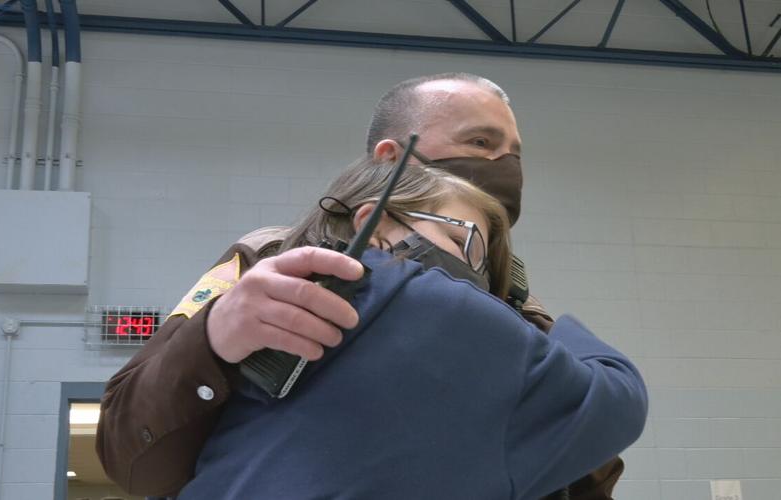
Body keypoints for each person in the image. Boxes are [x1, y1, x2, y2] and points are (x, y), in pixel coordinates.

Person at [96, 73, 625, 498]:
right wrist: (213, 338)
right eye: (481, 142)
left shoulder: (522, 309)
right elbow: (128, 454)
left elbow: (586, 473)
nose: (505, 165)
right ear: (390, 159)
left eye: (514, 151)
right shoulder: (272, 260)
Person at [177, 158, 648, 499]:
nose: (474, 275)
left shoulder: (255, 334)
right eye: (464, 241)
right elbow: (617, 399)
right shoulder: (435, 304)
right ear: (376, 224)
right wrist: (552, 323)